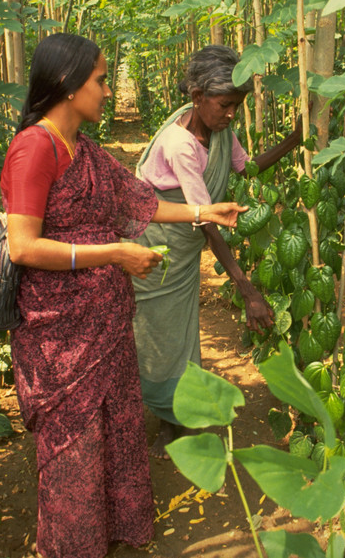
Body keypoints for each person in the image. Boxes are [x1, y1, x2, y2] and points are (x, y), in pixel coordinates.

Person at [0, 33, 246, 558]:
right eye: (101, 80)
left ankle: (115, 531)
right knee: (75, 448)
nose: (109, 91)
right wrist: (114, 253)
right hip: (60, 337)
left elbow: (142, 203)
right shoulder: (33, 148)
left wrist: (205, 211)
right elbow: (23, 246)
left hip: (106, 326)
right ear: (67, 85)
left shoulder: (85, 149)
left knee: (115, 431)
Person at [131, 45, 302, 456]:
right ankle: (168, 421)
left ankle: (177, 416)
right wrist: (247, 288)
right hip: (158, 252)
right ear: (197, 97)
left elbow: (247, 167)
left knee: (182, 335)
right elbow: (205, 219)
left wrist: (295, 140)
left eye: (236, 106)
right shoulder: (181, 144)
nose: (230, 114)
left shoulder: (219, 131)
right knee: (160, 335)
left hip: (183, 250)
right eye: (225, 105)